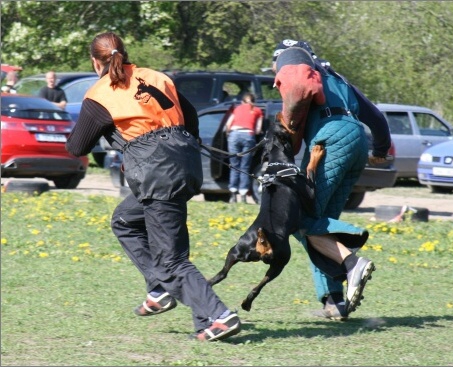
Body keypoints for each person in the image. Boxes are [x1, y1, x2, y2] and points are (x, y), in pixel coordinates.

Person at [66, 32, 241, 342]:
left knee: (171, 259)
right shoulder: (158, 77)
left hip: (157, 173)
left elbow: (78, 146)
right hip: (184, 165)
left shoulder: (100, 93)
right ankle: (160, 290)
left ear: (95, 61)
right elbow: (190, 119)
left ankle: (219, 316)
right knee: (125, 221)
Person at [272, 39, 392, 320]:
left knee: (301, 219)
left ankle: (353, 261)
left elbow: (296, 96)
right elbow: (376, 117)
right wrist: (380, 151)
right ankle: (334, 300)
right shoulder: (338, 79)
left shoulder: (296, 71)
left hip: (328, 141)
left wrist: (286, 134)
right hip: (356, 139)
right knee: (319, 222)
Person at [225, 92, 263, 203]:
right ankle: (243, 195)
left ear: (242, 101)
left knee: (234, 166)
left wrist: (229, 135)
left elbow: (228, 124)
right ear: (253, 101)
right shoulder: (257, 110)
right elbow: (258, 130)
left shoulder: (237, 108)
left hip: (234, 135)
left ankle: (233, 195)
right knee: (244, 167)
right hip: (248, 136)